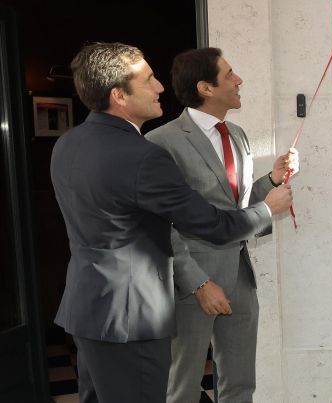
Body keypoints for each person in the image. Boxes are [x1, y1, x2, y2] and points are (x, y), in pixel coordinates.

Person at [50, 42, 293, 403]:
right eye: (148, 80)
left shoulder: (68, 144)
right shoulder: (144, 154)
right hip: (133, 318)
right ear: (119, 95)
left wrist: (268, 185)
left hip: (88, 311)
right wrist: (266, 210)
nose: (160, 87)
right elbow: (211, 224)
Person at [146, 47, 296, 403]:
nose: (239, 80)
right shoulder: (160, 142)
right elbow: (160, 224)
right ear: (205, 88)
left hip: (241, 276)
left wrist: (271, 181)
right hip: (193, 284)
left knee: (241, 385)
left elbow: (234, 209)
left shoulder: (238, 135)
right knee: (181, 388)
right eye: (229, 74)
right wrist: (197, 283)